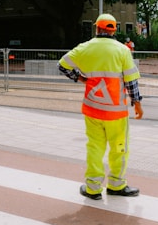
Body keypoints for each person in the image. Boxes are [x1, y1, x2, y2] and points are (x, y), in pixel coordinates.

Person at [58, 13, 143, 200]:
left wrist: (80, 78)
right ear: (114, 30)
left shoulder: (84, 48)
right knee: (119, 147)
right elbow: (131, 82)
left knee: (95, 148)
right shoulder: (122, 50)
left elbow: (62, 66)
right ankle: (116, 185)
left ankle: (93, 188)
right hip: (116, 113)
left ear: (97, 28)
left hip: (92, 109)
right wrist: (137, 104)